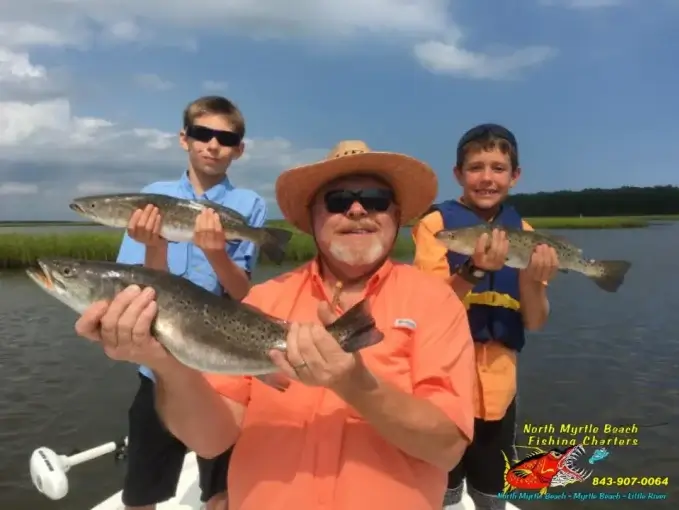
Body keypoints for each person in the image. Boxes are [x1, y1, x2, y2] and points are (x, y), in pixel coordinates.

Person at [74, 140, 477, 510]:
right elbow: (210, 440)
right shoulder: (263, 300)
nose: (357, 210)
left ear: (396, 215)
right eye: (338, 200)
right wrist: (165, 362)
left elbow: (447, 449)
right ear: (312, 217)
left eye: (376, 199)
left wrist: (357, 385)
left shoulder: (435, 302)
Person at [114, 95, 267, 510]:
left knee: (221, 491)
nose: (213, 144)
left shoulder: (249, 205)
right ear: (184, 139)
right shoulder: (152, 196)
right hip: (159, 364)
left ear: (239, 148)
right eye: (203, 133)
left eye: (226, 137)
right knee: (142, 491)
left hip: (216, 365)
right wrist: (155, 244)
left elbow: (243, 295)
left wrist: (218, 252)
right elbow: (143, 284)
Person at [411, 124, 559, 510]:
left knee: (493, 486)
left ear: (515, 176)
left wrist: (533, 279)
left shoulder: (525, 232)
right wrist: (472, 270)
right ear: (458, 174)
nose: (487, 178)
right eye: (476, 167)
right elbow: (427, 308)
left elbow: (536, 320)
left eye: (498, 167)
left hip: (499, 386)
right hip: (442, 383)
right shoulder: (435, 226)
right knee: (443, 485)